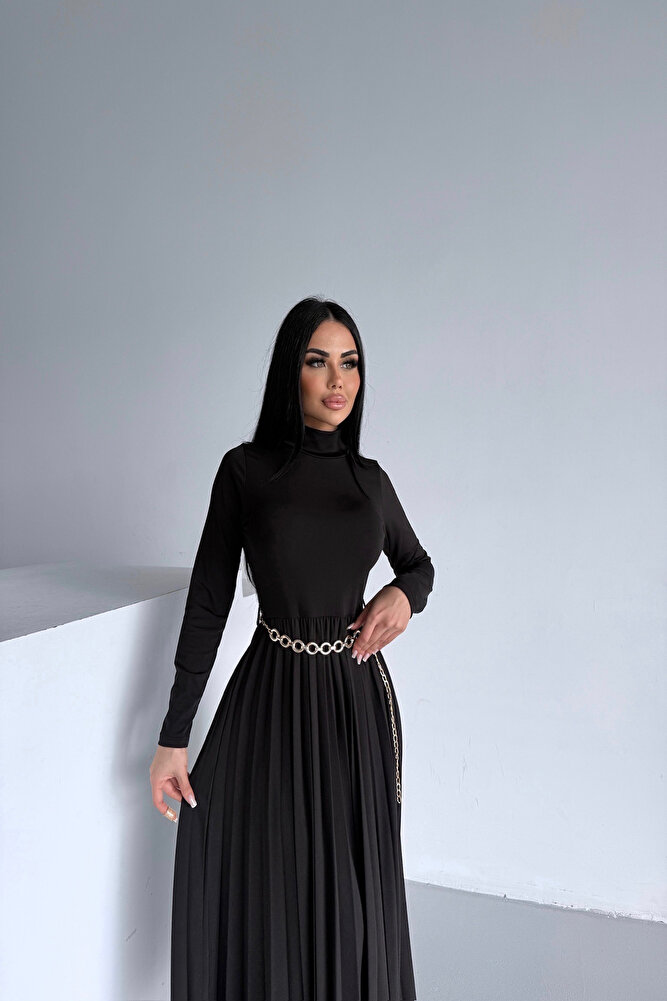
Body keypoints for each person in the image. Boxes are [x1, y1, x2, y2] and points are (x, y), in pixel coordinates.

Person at [149, 296, 435, 1000]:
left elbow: (418, 565)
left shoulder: (370, 481)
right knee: (265, 878)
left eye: (350, 363)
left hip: (352, 705)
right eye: (318, 361)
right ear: (290, 372)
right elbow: (208, 602)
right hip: (269, 697)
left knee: (351, 892)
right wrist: (173, 736)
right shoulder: (246, 471)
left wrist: (404, 595)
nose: (338, 380)